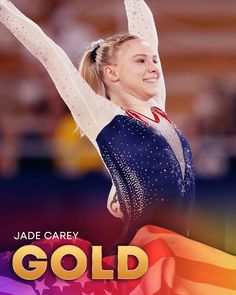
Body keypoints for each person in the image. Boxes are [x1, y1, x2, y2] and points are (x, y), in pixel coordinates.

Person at [0, 0, 195, 244]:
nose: (154, 67)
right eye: (140, 61)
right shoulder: (101, 116)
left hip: (178, 253)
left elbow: (143, 22)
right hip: (141, 261)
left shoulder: (156, 105)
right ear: (112, 73)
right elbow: (48, 53)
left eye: (153, 60)